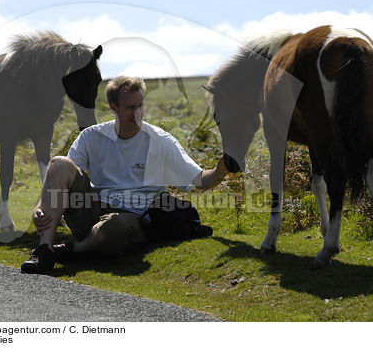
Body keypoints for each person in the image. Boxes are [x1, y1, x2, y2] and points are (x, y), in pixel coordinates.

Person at [21, 76, 229, 274]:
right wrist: (40, 207)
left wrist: (220, 171)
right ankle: (44, 251)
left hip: (131, 218)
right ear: (114, 108)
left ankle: (70, 251)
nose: (137, 113)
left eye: (140, 106)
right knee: (59, 163)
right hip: (92, 209)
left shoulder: (161, 140)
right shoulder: (91, 136)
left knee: (112, 228)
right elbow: (59, 178)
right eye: (130, 107)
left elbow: (199, 180)